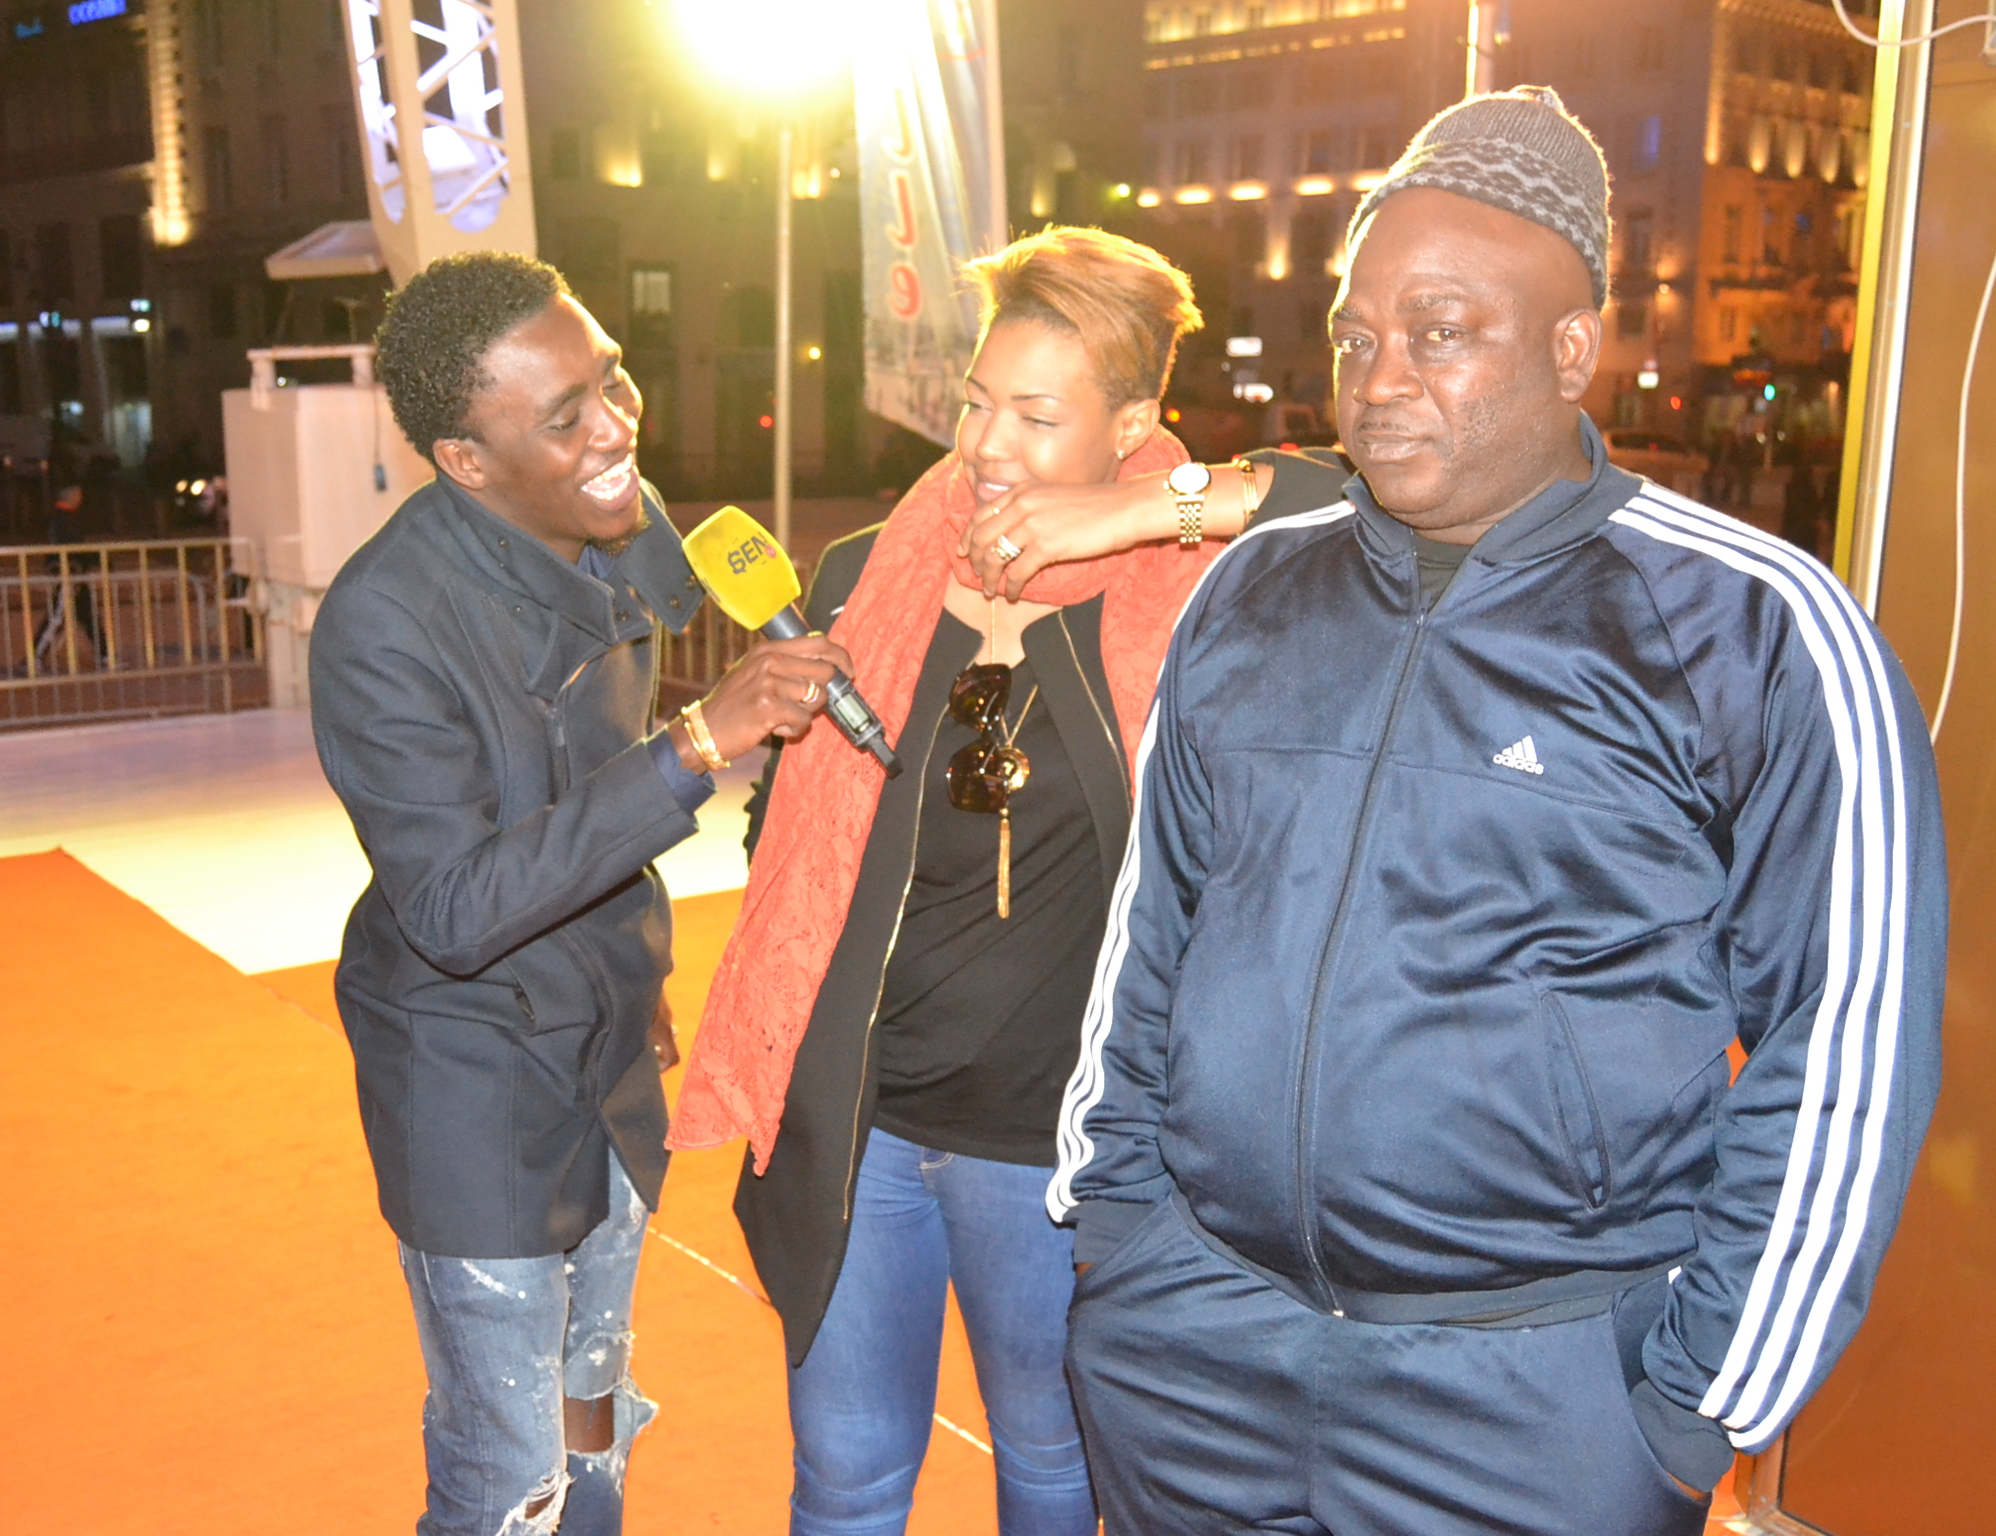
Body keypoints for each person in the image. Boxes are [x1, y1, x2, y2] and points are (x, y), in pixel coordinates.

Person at [1050, 88, 1946, 1536]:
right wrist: (1121, 1235)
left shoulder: (1756, 630)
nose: (1380, 376)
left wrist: (1688, 1410)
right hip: (1194, 1354)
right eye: (1357, 336)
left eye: (1443, 330)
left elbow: (1840, 1050)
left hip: (1536, 1406)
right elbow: (1153, 936)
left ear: (1573, 349)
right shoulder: (1252, 590)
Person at [668, 227, 1352, 1536]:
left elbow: (1364, 499)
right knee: (848, 1478)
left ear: (1133, 422)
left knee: (1055, 1467)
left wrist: (1147, 509)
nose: (986, 446)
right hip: (861, 1121)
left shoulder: (1205, 585)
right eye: (979, 401)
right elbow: (799, 838)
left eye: (1038, 417)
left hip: (1056, 1146)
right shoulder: (869, 571)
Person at [308, 252, 851, 1536]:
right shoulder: (382, 621)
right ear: (465, 459)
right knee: (514, 1476)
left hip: (607, 1051)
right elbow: (448, 910)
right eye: (566, 417)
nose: (615, 428)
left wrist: (631, 974)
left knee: (593, 1410)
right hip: (471, 1086)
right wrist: (699, 746)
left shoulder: (626, 514)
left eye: (611, 379)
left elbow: (587, 777)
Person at [30, 483, 108, 668]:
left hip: (74, 572)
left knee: (87, 615)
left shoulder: (62, 519)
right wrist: (94, 559)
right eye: (78, 496)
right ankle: (34, 657)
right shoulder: (62, 520)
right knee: (58, 617)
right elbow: (74, 546)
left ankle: (104, 655)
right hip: (69, 573)